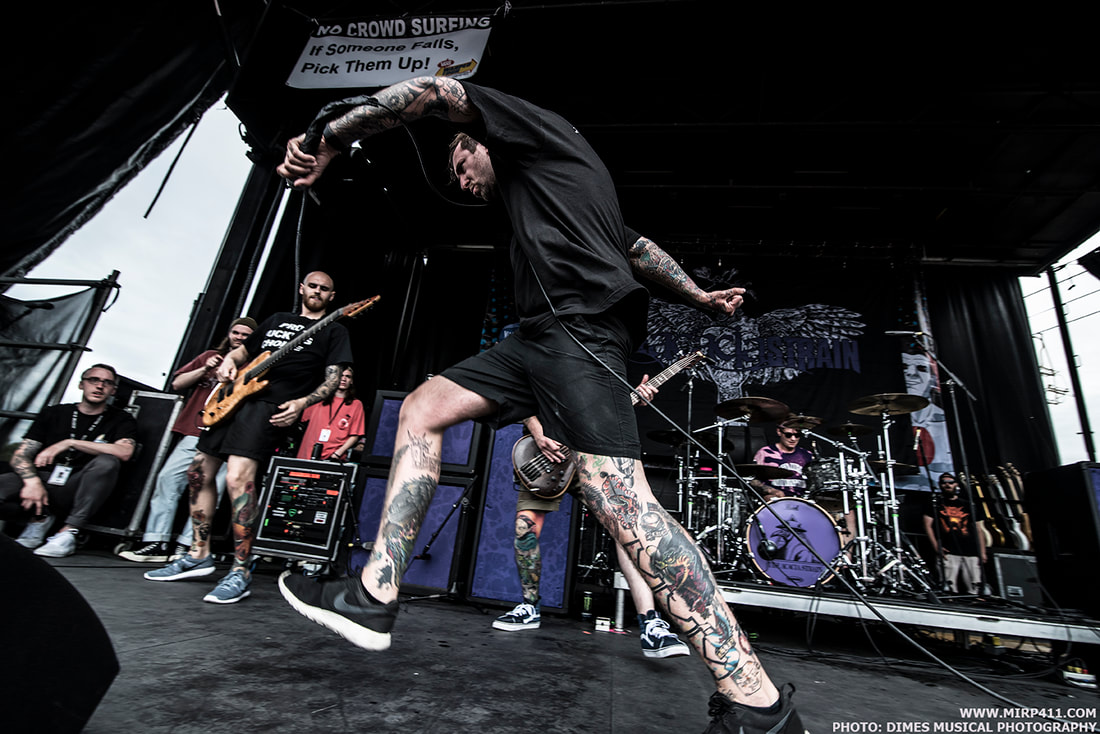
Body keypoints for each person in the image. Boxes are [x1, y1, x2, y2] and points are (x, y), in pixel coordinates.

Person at [275, 76, 805, 733]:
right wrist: (696, 294)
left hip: (582, 333)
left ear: (480, 141)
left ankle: (756, 701)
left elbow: (434, 92)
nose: (460, 180)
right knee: (421, 407)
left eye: (459, 163)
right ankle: (373, 595)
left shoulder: (537, 135)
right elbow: (635, 247)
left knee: (622, 500)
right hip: (534, 340)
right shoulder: (553, 196)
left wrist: (328, 136)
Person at [144, 272, 353, 604]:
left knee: (238, 479)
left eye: (324, 289)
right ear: (301, 288)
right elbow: (243, 352)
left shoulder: (334, 330)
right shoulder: (277, 320)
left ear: (332, 296)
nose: (317, 291)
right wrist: (229, 361)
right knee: (198, 472)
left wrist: (302, 403)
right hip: (233, 401)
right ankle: (198, 554)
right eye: (312, 286)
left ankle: (240, 570)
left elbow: (332, 380)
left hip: (268, 406)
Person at [496, 383, 690, 660]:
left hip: (591, 456)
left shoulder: (600, 364)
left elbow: (606, 408)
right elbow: (520, 394)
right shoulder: (543, 358)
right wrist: (538, 433)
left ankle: (650, 623)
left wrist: (632, 400)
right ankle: (529, 606)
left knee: (626, 530)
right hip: (548, 453)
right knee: (524, 527)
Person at [118, 317, 256, 563]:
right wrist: (204, 369)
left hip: (226, 436)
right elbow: (177, 383)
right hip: (196, 431)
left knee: (210, 489)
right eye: (236, 332)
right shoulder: (210, 356)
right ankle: (156, 541)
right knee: (167, 479)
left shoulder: (255, 363)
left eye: (246, 335)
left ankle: (189, 546)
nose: (239, 338)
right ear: (229, 333)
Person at [1, 364, 137, 557]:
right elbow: (21, 455)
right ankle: (39, 519)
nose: (100, 386)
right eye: (94, 380)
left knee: (107, 462)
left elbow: (124, 451)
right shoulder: (54, 413)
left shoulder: (121, 419)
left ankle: (68, 533)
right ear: (82, 384)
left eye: (107, 383)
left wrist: (69, 443)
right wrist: (32, 483)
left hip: (75, 486)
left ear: (113, 390)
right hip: (43, 480)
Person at [922, 472, 986, 594]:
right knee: (948, 587)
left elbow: (979, 529)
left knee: (975, 587)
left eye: (950, 482)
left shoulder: (968, 504)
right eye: (944, 483)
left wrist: (982, 551)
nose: (947, 485)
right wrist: (936, 546)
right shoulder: (935, 504)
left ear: (956, 484)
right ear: (940, 485)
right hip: (948, 550)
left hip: (970, 550)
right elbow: (927, 525)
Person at [296, 366, 365, 462]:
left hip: (332, 457)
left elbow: (355, 435)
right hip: (308, 453)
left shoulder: (356, 404)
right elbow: (300, 420)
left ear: (351, 381)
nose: (343, 379)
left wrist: (337, 454)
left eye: (348, 376)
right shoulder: (318, 399)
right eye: (340, 376)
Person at [751, 426, 814, 499]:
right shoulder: (765, 453)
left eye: (797, 435)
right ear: (779, 432)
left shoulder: (807, 454)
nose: (793, 439)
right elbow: (753, 480)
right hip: (775, 499)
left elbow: (814, 481)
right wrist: (771, 490)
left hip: (802, 499)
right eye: (788, 435)